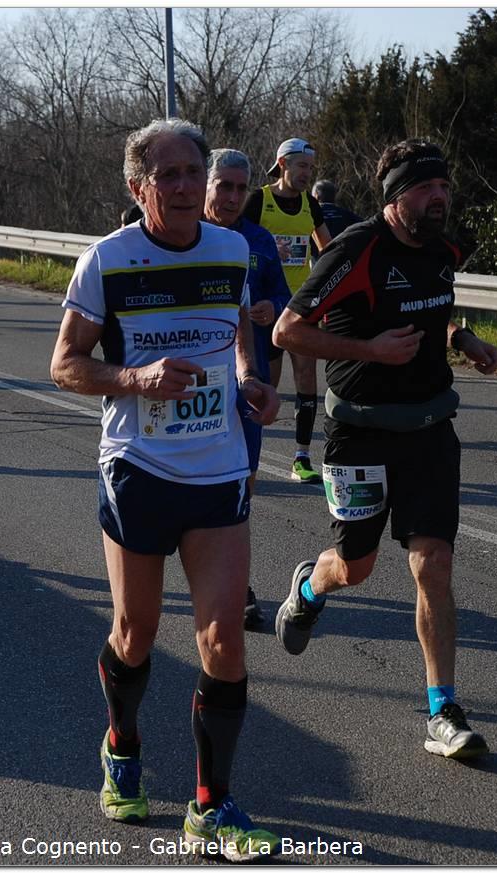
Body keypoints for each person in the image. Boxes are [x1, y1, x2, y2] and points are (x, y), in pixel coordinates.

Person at [50, 118, 280, 862]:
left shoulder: (231, 249)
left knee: (223, 638)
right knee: (136, 631)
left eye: (194, 172)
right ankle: (121, 743)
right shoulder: (107, 260)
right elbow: (64, 364)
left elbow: (237, 326)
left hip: (218, 467)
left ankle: (210, 807)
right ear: (138, 186)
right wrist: (134, 377)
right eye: (169, 174)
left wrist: (247, 378)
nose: (185, 186)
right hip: (139, 468)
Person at [270, 138, 497, 761]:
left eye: (444, 187)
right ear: (396, 197)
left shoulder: (444, 248)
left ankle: (442, 710)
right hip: (359, 433)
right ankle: (309, 588)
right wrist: (370, 351)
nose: (439, 198)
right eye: (426, 189)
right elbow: (288, 330)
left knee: (433, 565)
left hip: (429, 428)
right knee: (357, 567)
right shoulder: (356, 250)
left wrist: (462, 338)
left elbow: (433, 309)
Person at [202, 147, 291, 631]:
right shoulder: (184, 233)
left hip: (247, 377)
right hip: (193, 382)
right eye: (225, 186)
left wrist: (272, 308)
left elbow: (283, 294)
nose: (234, 197)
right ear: (207, 185)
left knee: (242, 482)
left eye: (241, 188)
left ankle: (235, 584)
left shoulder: (258, 240)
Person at [243, 138, 333, 483]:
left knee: (307, 377)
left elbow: (328, 250)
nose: (307, 173)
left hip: (301, 306)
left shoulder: (311, 205)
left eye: (311, 168)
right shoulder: (259, 201)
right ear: (283, 164)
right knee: (265, 384)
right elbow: (238, 241)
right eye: (302, 166)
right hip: (266, 308)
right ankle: (248, 454)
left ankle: (302, 457)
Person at [310, 180, 362, 256]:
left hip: (315, 259)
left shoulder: (309, 215)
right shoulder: (346, 214)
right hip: (340, 258)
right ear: (334, 196)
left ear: (316, 196)